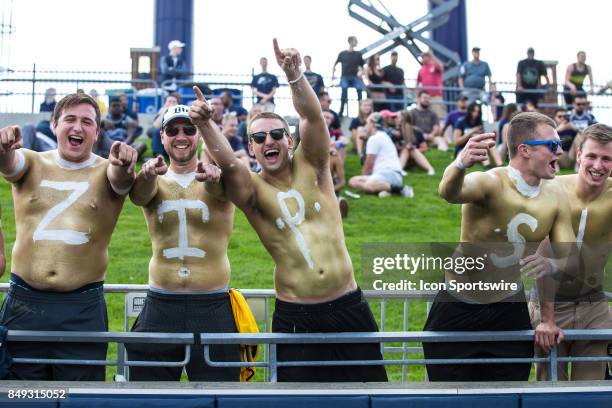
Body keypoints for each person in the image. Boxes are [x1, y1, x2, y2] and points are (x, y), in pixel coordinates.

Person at [191, 39, 388, 383]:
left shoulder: (313, 165)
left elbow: (311, 115)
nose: (270, 141)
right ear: (251, 148)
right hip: (296, 315)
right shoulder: (252, 190)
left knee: (370, 393)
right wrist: (207, 125)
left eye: (277, 134)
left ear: (289, 139)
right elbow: (226, 162)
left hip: (348, 306)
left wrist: (295, 76)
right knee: (297, 400)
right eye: (260, 138)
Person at [425, 111, 575, 382]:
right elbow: (448, 192)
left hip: (509, 307)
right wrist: (460, 163)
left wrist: (548, 314)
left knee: (508, 394)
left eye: (560, 145)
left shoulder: (555, 196)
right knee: (448, 397)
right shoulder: (490, 182)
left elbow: (568, 255)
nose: (561, 152)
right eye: (553, 146)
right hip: (459, 305)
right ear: (525, 150)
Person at [0, 93, 137, 381]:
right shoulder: (32, 161)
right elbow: (9, 164)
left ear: (97, 133)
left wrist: (125, 163)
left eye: (87, 122)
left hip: (82, 307)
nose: (78, 127)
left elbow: (120, 178)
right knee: (21, 396)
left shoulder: (105, 169)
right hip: (25, 301)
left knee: (80, 397)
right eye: (70, 120)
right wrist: (3, 146)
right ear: (54, 125)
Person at [126, 104, 241, 381]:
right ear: (162, 137)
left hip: (212, 304)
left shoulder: (220, 176)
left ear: (198, 135)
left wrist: (213, 177)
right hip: (161, 303)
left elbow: (221, 189)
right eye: (173, 130)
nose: (181, 136)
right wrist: (146, 174)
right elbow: (139, 197)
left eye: (189, 129)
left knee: (219, 396)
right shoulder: (152, 178)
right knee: (148, 396)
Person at [530, 124, 612, 381]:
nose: (598, 165)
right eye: (592, 156)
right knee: (550, 391)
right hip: (551, 303)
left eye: (607, 158)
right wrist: (547, 318)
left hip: (593, 304)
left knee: (590, 392)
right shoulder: (553, 189)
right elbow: (543, 255)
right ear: (578, 155)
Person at [348, 112, 414, 198]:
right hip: (382, 174)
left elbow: (369, 164)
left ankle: (402, 189)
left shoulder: (375, 138)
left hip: (390, 173)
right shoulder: (381, 136)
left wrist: (364, 176)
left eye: (367, 123)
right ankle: (385, 190)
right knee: (352, 181)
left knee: (368, 185)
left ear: (372, 123)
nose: (365, 126)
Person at [454, 101, 502, 167]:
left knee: (489, 141)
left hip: (477, 149)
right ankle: (487, 166)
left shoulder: (479, 123)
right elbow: (457, 142)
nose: (476, 114)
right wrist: (471, 132)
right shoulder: (461, 122)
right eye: (474, 111)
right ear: (469, 111)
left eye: (478, 112)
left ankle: (500, 165)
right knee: (478, 139)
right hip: (463, 149)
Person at [332, 36, 365, 117]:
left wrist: (361, 73)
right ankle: (342, 110)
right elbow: (335, 65)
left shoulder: (358, 54)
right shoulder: (342, 54)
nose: (356, 42)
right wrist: (333, 74)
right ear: (351, 41)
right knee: (344, 91)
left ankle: (361, 111)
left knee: (360, 90)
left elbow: (363, 67)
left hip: (354, 77)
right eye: (355, 41)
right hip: (345, 77)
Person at [416, 50, 445, 120]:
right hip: (425, 98)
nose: (423, 58)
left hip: (436, 97)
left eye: (425, 56)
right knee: (424, 118)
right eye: (422, 57)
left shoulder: (434, 66)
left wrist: (432, 56)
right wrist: (417, 97)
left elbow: (440, 67)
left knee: (439, 117)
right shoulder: (421, 70)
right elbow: (417, 83)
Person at [151, 92, 181, 159]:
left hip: (176, 142)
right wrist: (164, 112)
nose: (171, 103)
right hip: (164, 143)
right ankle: (159, 156)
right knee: (156, 131)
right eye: (169, 101)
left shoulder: (181, 112)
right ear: (165, 103)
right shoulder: (162, 111)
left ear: (178, 104)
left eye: (174, 102)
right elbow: (155, 126)